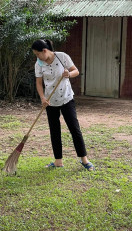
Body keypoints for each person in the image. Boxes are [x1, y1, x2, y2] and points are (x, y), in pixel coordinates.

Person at [31, 39, 94, 171]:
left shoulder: (62, 57)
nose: (37, 57)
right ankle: (58, 161)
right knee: (54, 131)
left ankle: (84, 160)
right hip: (50, 101)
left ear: (44, 51)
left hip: (66, 98)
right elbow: (38, 83)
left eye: (37, 54)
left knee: (74, 129)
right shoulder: (39, 64)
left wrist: (69, 74)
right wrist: (42, 98)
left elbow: (75, 71)